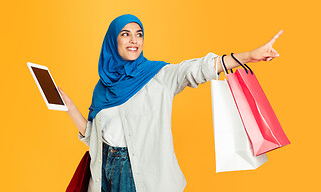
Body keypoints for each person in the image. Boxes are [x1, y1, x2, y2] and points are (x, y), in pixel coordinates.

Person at [58, 14, 283, 192]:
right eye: (125, 34)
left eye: (139, 34)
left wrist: (247, 56)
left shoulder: (159, 76)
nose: (134, 39)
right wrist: (68, 105)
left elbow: (197, 69)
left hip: (141, 177)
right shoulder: (103, 87)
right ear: (113, 40)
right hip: (103, 174)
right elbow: (95, 139)